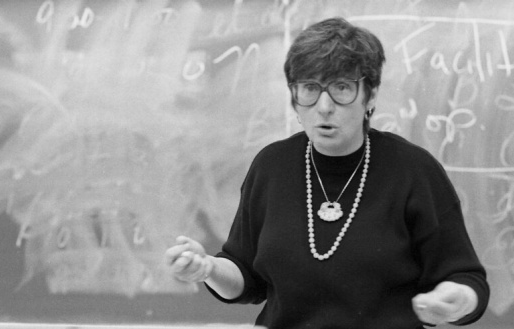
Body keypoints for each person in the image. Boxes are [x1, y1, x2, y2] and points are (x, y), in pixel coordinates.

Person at [164, 17, 490, 329]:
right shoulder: (272, 166)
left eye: (342, 88)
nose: (324, 106)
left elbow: (466, 279)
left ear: (370, 96)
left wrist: (457, 299)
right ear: (294, 96)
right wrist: (208, 269)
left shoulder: (413, 170)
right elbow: (247, 279)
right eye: (309, 88)